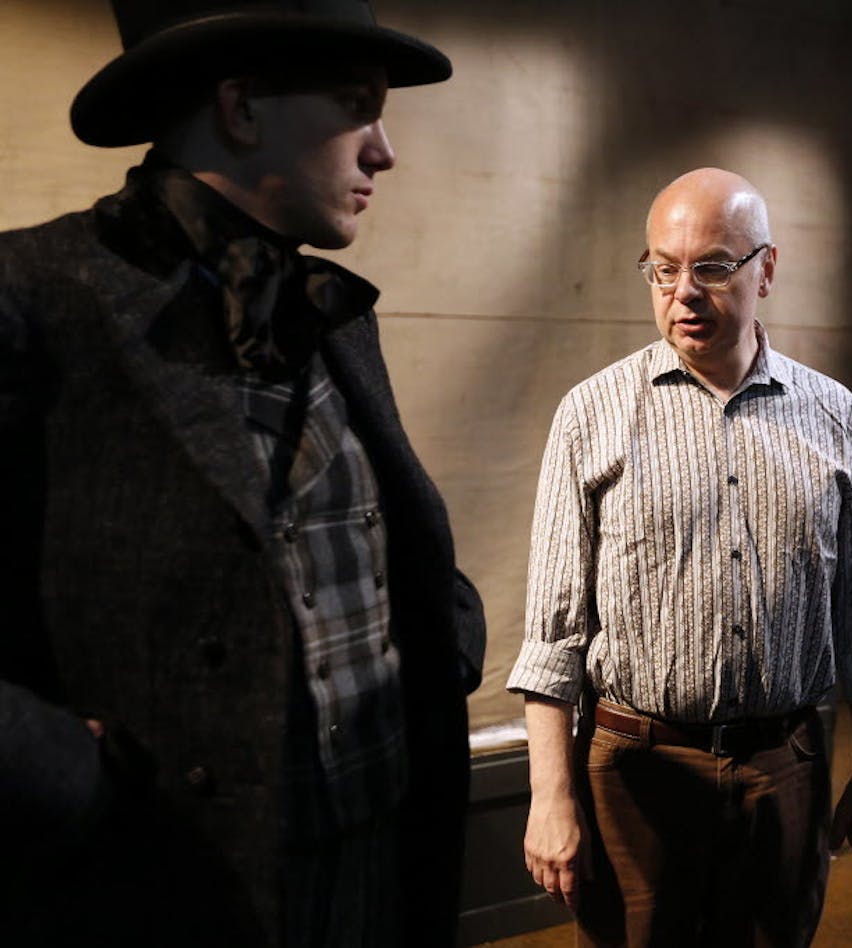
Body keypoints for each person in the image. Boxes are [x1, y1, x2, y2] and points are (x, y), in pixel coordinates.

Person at [0, 3, 485, 945]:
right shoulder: (34, 298)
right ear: (242, 107)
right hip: (166, 893)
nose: (383, 152)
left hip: (380, 865)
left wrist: (442, 628)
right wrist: (67, 779)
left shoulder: (330, 312)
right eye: (357, 107)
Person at [507, 167, 852, 946]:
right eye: (663, 269)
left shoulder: (835, 417)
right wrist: (549, 796)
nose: (683, 291)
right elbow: (553, 635)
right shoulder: (592, 413)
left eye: (713, 267)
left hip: (784, 765)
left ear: (767, 269)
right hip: (632, 772)